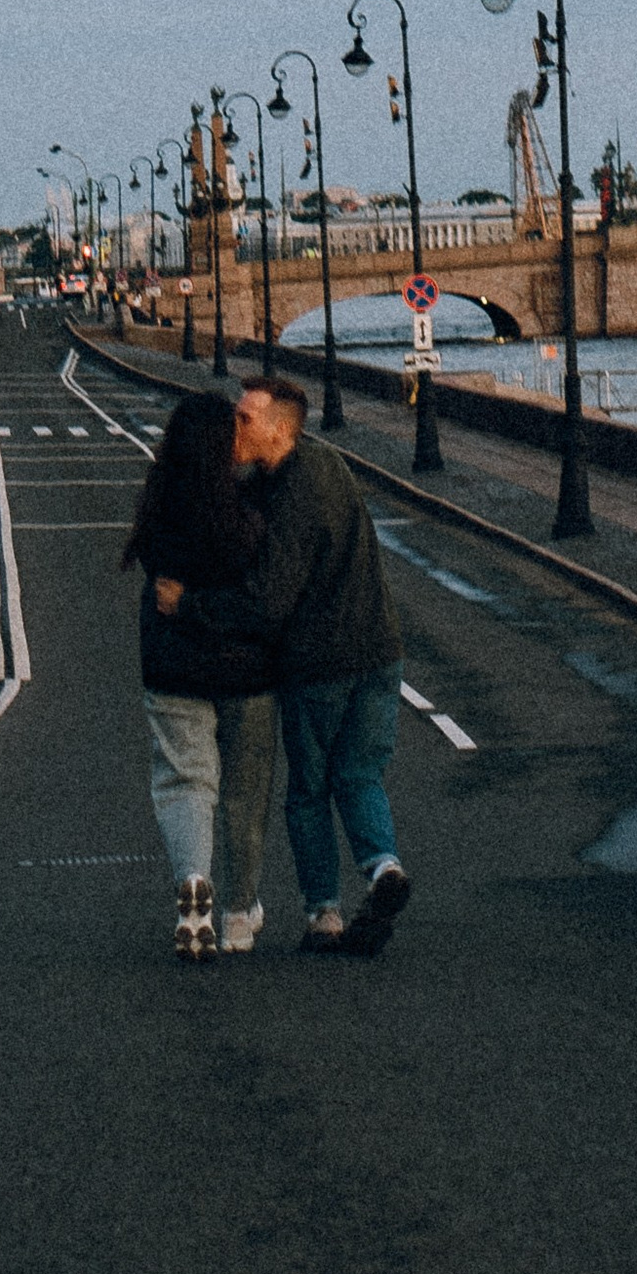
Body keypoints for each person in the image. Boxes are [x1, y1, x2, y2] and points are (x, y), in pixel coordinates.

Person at [229, 371, 412, 957]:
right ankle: (384, 871)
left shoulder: (291, 498)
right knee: (359, 775)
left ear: (279, 431)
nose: (237, 425)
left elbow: (270, 598)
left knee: (308, 791)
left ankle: (323, 915)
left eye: (245, 418)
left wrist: (199, 607)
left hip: (319, 665)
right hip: (379, 651)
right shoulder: (325, 464)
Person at [121, 392, 278, 961]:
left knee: (185, 780)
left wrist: (183, 602)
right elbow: (263, 597)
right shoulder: (250, 516)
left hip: (173, 666)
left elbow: (162, 584)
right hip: (246, 670)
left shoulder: (160, 508)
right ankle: (239, 910)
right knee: (244, 793)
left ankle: (193, 879)